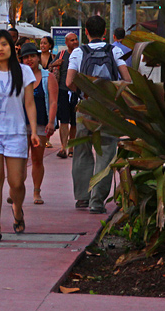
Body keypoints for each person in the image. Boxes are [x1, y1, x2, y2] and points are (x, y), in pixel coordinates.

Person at [0, 30, 41, 243]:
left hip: (16, 133)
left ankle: (18, 210)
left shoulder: (23, 71)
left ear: (12, 47)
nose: (0, 49)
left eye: (4, 44)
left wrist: (33, 131)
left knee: (16, 182)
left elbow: (29, 103)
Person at [66, 15, 131, 213]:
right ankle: (97, 201)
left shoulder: (78, 52)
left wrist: (84, 90)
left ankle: (82, 197)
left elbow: (69, 82)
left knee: (82, 150)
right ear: (105, 32)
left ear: (85, 31)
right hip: (108, 109)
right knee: (106, 152)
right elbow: (127, 80)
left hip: (85, 107)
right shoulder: (114, 50)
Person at [18, 42, 58, 205]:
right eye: (26, 57)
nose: (29, 60)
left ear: (38, 57)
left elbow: (54, 101)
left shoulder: (48, 77)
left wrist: (51, 122)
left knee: (37, 159)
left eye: (32, 56)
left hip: (41, 124)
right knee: (19, 159)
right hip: (20, 124)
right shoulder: (17, 77)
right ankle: (17, 189)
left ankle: (36, 191)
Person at [51, 31, 80, 158]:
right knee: (63, 121)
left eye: (76, 39)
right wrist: (54, 64)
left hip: (76, 92)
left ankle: (71, 148)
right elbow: (50, 70)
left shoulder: (81, 54)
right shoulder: (61, 55)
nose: (75, 42)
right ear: (66, 42)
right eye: (72, 40)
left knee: (74, 122)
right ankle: (63, 147)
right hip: (62, 91)